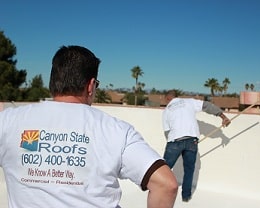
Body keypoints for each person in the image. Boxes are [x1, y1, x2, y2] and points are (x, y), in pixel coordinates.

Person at [0, 45, 178, 208]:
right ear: (91, 85)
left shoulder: (8, 121)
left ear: (52, 82)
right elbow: (165, 185)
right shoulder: (117, 131)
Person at [162, 90, 231, 202]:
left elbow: (167, 132)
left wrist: (173, 147)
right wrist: (223, 117)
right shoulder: (189, 102)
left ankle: (161, 191)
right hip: (191, 141)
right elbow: (207, 106)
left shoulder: (166, 111)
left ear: (167, 99)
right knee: (189, 169)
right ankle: (186, 197)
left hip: (175, 140)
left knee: (163, 169)